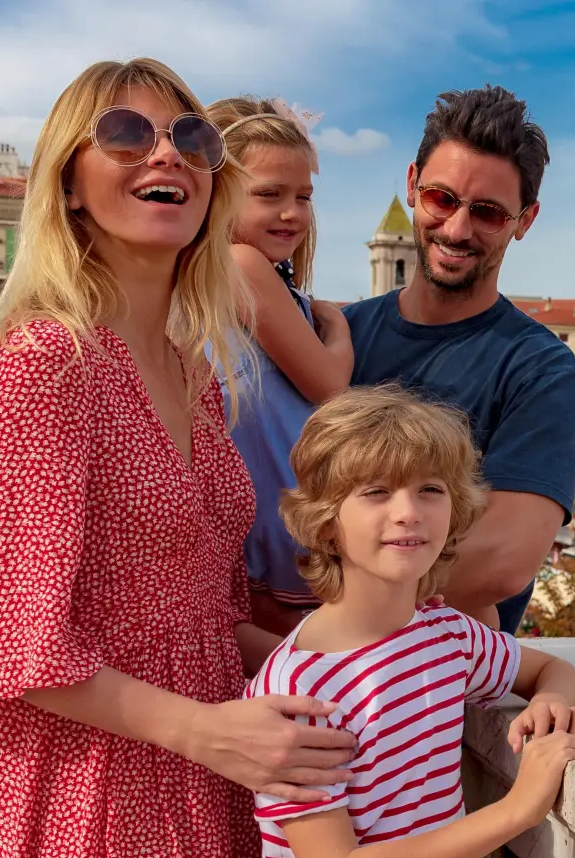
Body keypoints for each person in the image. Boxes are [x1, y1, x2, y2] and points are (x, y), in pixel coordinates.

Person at [0, 58, 355, 858]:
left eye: (192, 137)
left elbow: (203, 613)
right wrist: (210, 732)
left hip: (198, 781)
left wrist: (380, 661)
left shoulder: (194, 373)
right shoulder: (37, 366)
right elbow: (2, 642)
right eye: (124, 133)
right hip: (77, 801)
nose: (169, 153)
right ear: (68, 185)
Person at [249, 386, 575, 858]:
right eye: (376, 492)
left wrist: (549, 706)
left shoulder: (444, 636)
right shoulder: (299, 687)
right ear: (326, 521)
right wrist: (518, 809)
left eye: (430, 490)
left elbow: (552, 669)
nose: (408, 512)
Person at [345, 86, 575, 633]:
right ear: (412, 185)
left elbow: (501, 560)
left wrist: (310, 598)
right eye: (441, 199)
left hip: (432, 701)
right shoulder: (336, 337)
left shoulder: (541, 371)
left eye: (488, 213)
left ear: (525, 220)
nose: (456, 229)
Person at [204, 94, 356, 636]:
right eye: (268, 195)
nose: (292, 212)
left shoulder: (239, 272)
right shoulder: (243, 263)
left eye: (304, 197)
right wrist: (337, 329)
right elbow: (329, 383)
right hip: (277, 510)